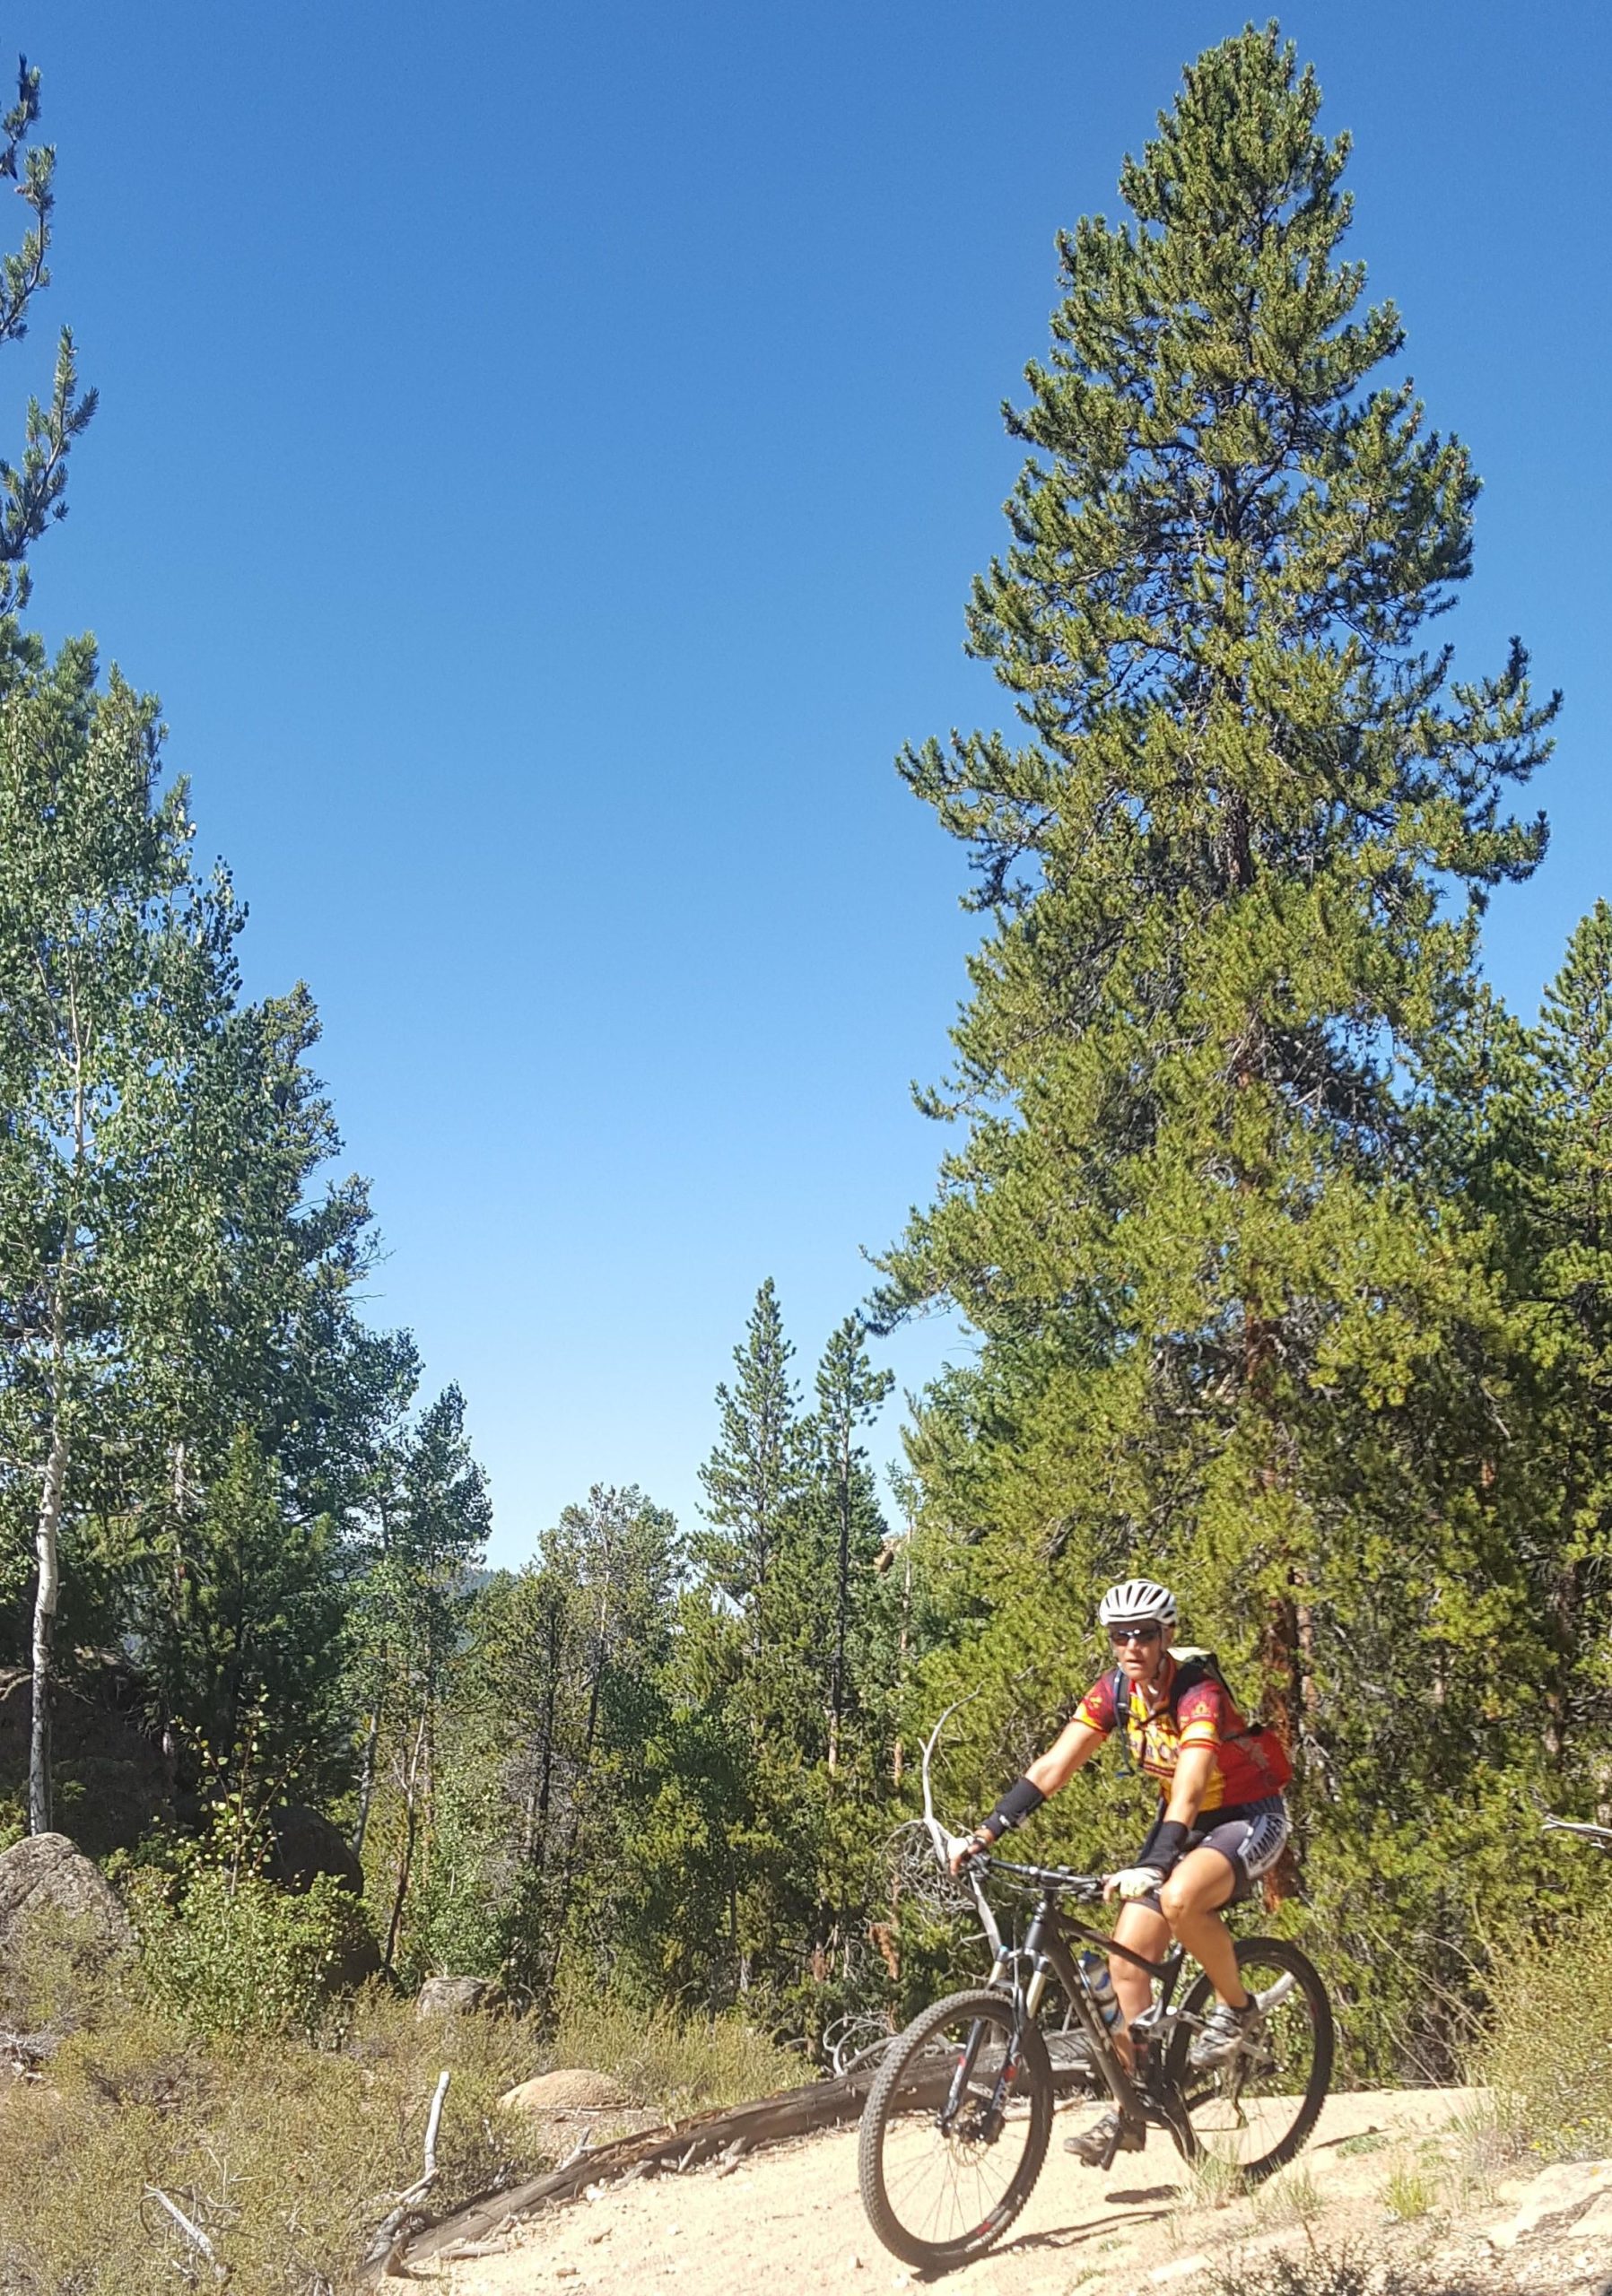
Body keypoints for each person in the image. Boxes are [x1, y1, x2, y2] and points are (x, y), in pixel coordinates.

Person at [950, 1577, 1292, 2166]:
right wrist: (986, 1832)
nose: (1130, 1646)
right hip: (1181, 1827)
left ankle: (1240, 2011)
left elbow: (1186, 1790)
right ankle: (1130, 2105)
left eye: (1142, 1634)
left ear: (1167, 1637)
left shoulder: (1197, 1693)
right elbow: (1056, 1763)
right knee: (1121, 1960)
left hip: (1245, 1817)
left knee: (1181, 1897)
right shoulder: (1114, 1691)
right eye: (1118, 1636)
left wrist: (1154, 1866)